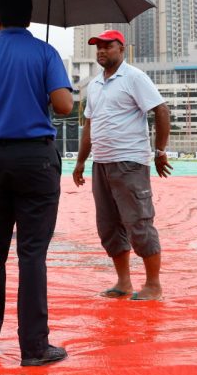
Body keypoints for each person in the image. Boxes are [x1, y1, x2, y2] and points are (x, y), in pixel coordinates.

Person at [0, 0, 73, 368]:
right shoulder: (45, 52)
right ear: (30, 18)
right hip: (35, 161)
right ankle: (34, 348)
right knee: (32, 254)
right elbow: (63, 105)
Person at [72, 29, 172, 301]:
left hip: (129, 162)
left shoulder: (134, 77)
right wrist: (81, 161)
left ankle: (153, 284)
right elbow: (89, 125)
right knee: (109, 225)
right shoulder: (94, 85)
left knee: (138, 222)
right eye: (98, 47)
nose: (102, 51)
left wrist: (160, 150)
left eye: (108, 46)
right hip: (101, 163)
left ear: (122, 49)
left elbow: (161, 110)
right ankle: (123, 282)